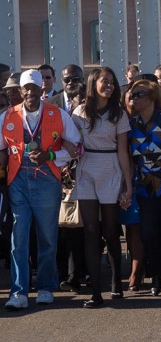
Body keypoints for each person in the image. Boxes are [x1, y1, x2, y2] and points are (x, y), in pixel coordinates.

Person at [1, 70, 82, 311]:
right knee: (19, 238)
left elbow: (77, 146)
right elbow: (2, 149)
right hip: (18, 182)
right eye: (25, 89)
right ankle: (19, 292)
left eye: (34, 89)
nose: (29, 93)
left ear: (41, 91)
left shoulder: (58, 115)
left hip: (47, 180)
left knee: (47, 237)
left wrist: (50, 155)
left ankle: (46, 286)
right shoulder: (7, 116)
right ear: (20, 91)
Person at [70, 68, 132, 308]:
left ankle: (117, 283)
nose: (109, 85)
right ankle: (95, 291)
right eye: (104, 82)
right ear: (92, 84)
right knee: (90, 231)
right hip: (86, 168)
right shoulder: (79, 112)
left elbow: (123, 151)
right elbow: (70, 140)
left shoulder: (119, 114)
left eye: (112, 82)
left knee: (110, 229)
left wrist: (128, 185)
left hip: (111, 166)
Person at [125, 79, 161, 300]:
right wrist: (128, 188)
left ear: (152, 97)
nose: (134, 99)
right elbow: (129, 161)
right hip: (144, 189)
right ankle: (155, 277)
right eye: (132, 95)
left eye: (139, 94)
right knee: (148, 234)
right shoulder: (131, 126)